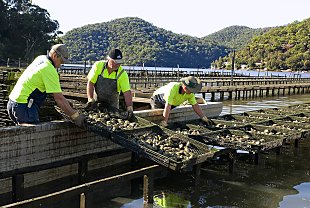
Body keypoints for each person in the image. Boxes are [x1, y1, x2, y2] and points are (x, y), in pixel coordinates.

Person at [7, 44, 85, 127]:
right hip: (25, 106)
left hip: (13, 102)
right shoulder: (49, 69)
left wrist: (66, 102)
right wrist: (75, 116)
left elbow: (50, 90)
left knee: (21, 135)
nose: (61, 64)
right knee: (31, 136)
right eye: (61, 61)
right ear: (55, 55)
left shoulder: (41, 58)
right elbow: (59, 99)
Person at [86, 48, 133, 119]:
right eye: (115, 62)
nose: (117, 64)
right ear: (108, 59)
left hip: (113, 108)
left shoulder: (122, 73)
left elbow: (127, 92)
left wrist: (129, 107)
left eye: (119, 62)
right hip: (96, 104)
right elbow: (90, 83)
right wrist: (90, 98)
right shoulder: (98, 66)